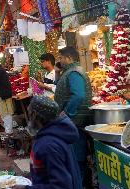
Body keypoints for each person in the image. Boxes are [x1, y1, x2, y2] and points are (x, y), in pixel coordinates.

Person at [13, 96, 82, 189]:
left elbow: (61, 186)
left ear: (34, 115)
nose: (28, 116)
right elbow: (46, 170)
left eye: (29, 112)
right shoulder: (54, 134)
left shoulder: (48, 146)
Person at [54, 46, 93, 180]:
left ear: (69, 58)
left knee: (76, 157)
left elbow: (79, 95)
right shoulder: (69, 71)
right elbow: (60, 87)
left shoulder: (74, 72)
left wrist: (66, 113)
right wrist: (57, 73)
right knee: (73, 157)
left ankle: (79, 183)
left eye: (60, 58)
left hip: (75, 121)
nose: (59, 60)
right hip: (73, 122)